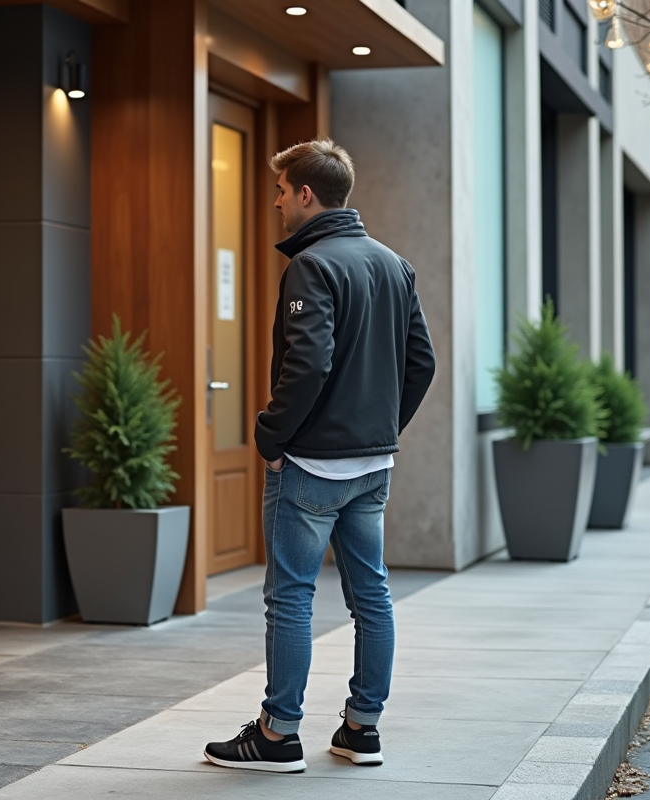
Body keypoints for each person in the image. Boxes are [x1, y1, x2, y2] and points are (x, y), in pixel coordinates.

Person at [203, 139, 436, 773]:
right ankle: (362, 729)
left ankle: (277, 736)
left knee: (292, 598)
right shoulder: (394, 263)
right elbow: (423, 363)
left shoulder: (311, 264)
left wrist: (271, 436)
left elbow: (307, 365)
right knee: (372, 596)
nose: (275, 203)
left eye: (280, 191)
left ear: (306, 193)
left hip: (310, 465)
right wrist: (381, 430)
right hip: (371, 466)